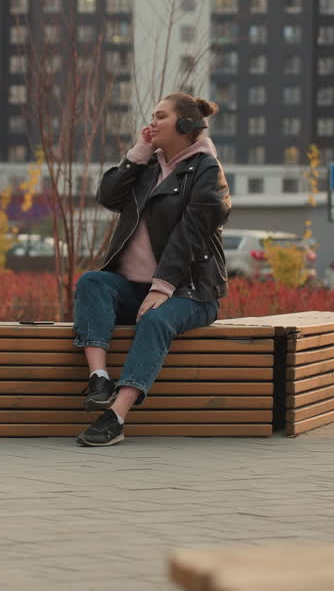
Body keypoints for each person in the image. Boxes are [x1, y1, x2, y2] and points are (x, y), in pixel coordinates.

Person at [73, 92, 232, 447]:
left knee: (156, 320)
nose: (153, 122)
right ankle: (99, 378)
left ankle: (115, 416)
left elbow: (190, 235)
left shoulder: (208, 173)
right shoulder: (148, 166)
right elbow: (109, 197)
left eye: (161, 116)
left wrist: (163, 287)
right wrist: (137, 154)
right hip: (136, 288)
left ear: (186, 125)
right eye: (153, 116)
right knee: (92, 283)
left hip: (191, 292)